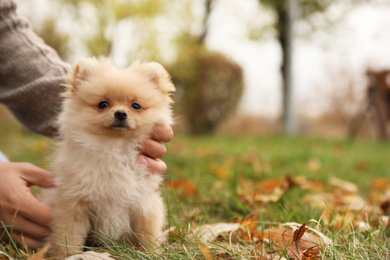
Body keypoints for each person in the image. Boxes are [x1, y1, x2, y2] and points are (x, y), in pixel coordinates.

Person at [0, 0, 173, 249]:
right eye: (104, 104)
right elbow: (73, 211)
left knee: (146, 204)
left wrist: (148, 251)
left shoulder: (143, 158)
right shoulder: (76, 157)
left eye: (136, 106)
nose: (121, 113)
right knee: (72, 206)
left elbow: (5, 32)